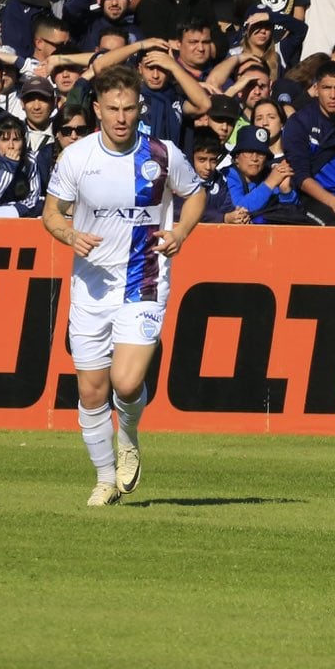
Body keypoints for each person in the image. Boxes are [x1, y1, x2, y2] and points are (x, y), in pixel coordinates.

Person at [40, 64, 206, 508]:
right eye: (112, 108)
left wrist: (180, 233)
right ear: (97, 109)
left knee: (127, 382)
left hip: (144, 279)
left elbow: (195, 193)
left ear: (139, 110)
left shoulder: (163, 154)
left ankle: (128, 435)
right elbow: (51, 213)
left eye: (128, 109)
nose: (120, 117)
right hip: (91, 288)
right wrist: (69, 234)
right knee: (92, 391)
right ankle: (104, 479)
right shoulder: (76, 158)